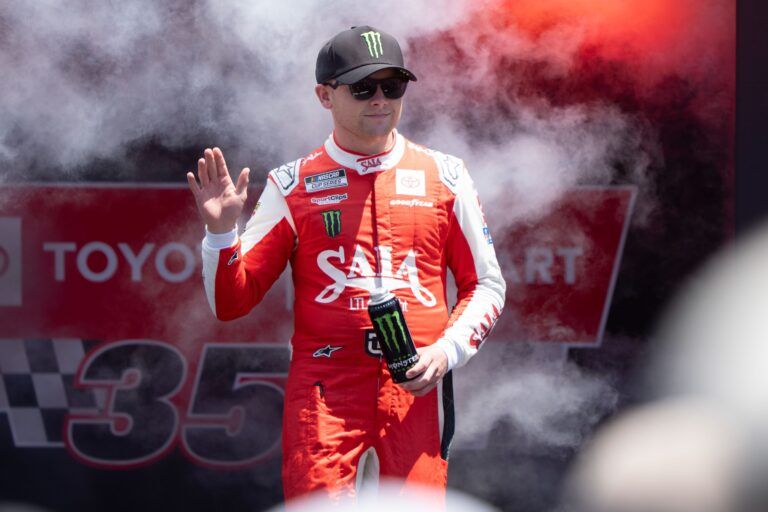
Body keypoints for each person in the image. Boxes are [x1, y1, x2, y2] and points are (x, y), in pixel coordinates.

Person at [186, 25, 506, 504]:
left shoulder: (446, 175)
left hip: (416, 391)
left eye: (392, 86)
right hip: (326, 396)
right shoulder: (291, 184)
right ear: (324, 95)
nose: (380, 98)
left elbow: (486, 285)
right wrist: (220, 232)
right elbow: (232, 303)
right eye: (362, 87)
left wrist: (445, 353)